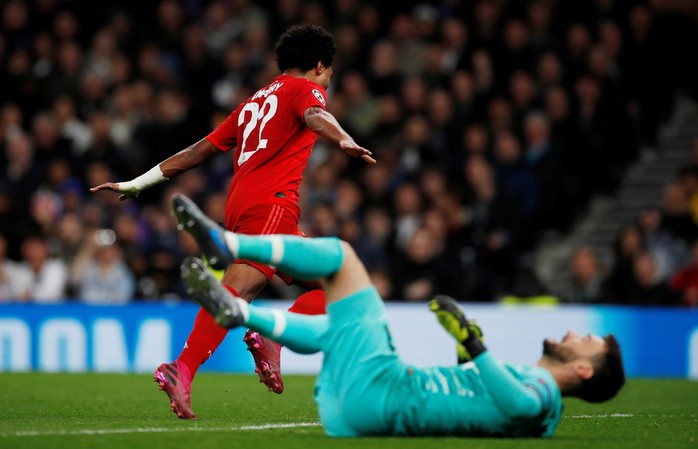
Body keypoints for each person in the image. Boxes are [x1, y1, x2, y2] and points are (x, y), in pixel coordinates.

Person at [90, 24, 375, 419]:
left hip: (243, 203)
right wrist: (341, 137)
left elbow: (200, 150)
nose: (327, 80)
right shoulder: (305, 89)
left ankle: (269, 339)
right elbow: (314, 114)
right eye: (328, 72)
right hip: (272, 205)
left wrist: (140, 183)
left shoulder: (254, 100)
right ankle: (183, 368)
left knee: (339, 282)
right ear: (319, 66)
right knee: (236, 293)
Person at [174, 193, 626, 436]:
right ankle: (241, 313)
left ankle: (228, 244)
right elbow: (481, 398)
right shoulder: (536, 397)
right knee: (340, 324)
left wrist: (474, 344)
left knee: (342, 258)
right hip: (359, 411)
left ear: (584, 369)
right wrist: (463, 354)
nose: (573, 331)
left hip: (390, 394)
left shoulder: (540, 397)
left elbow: (516, 404)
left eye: (587, 340)